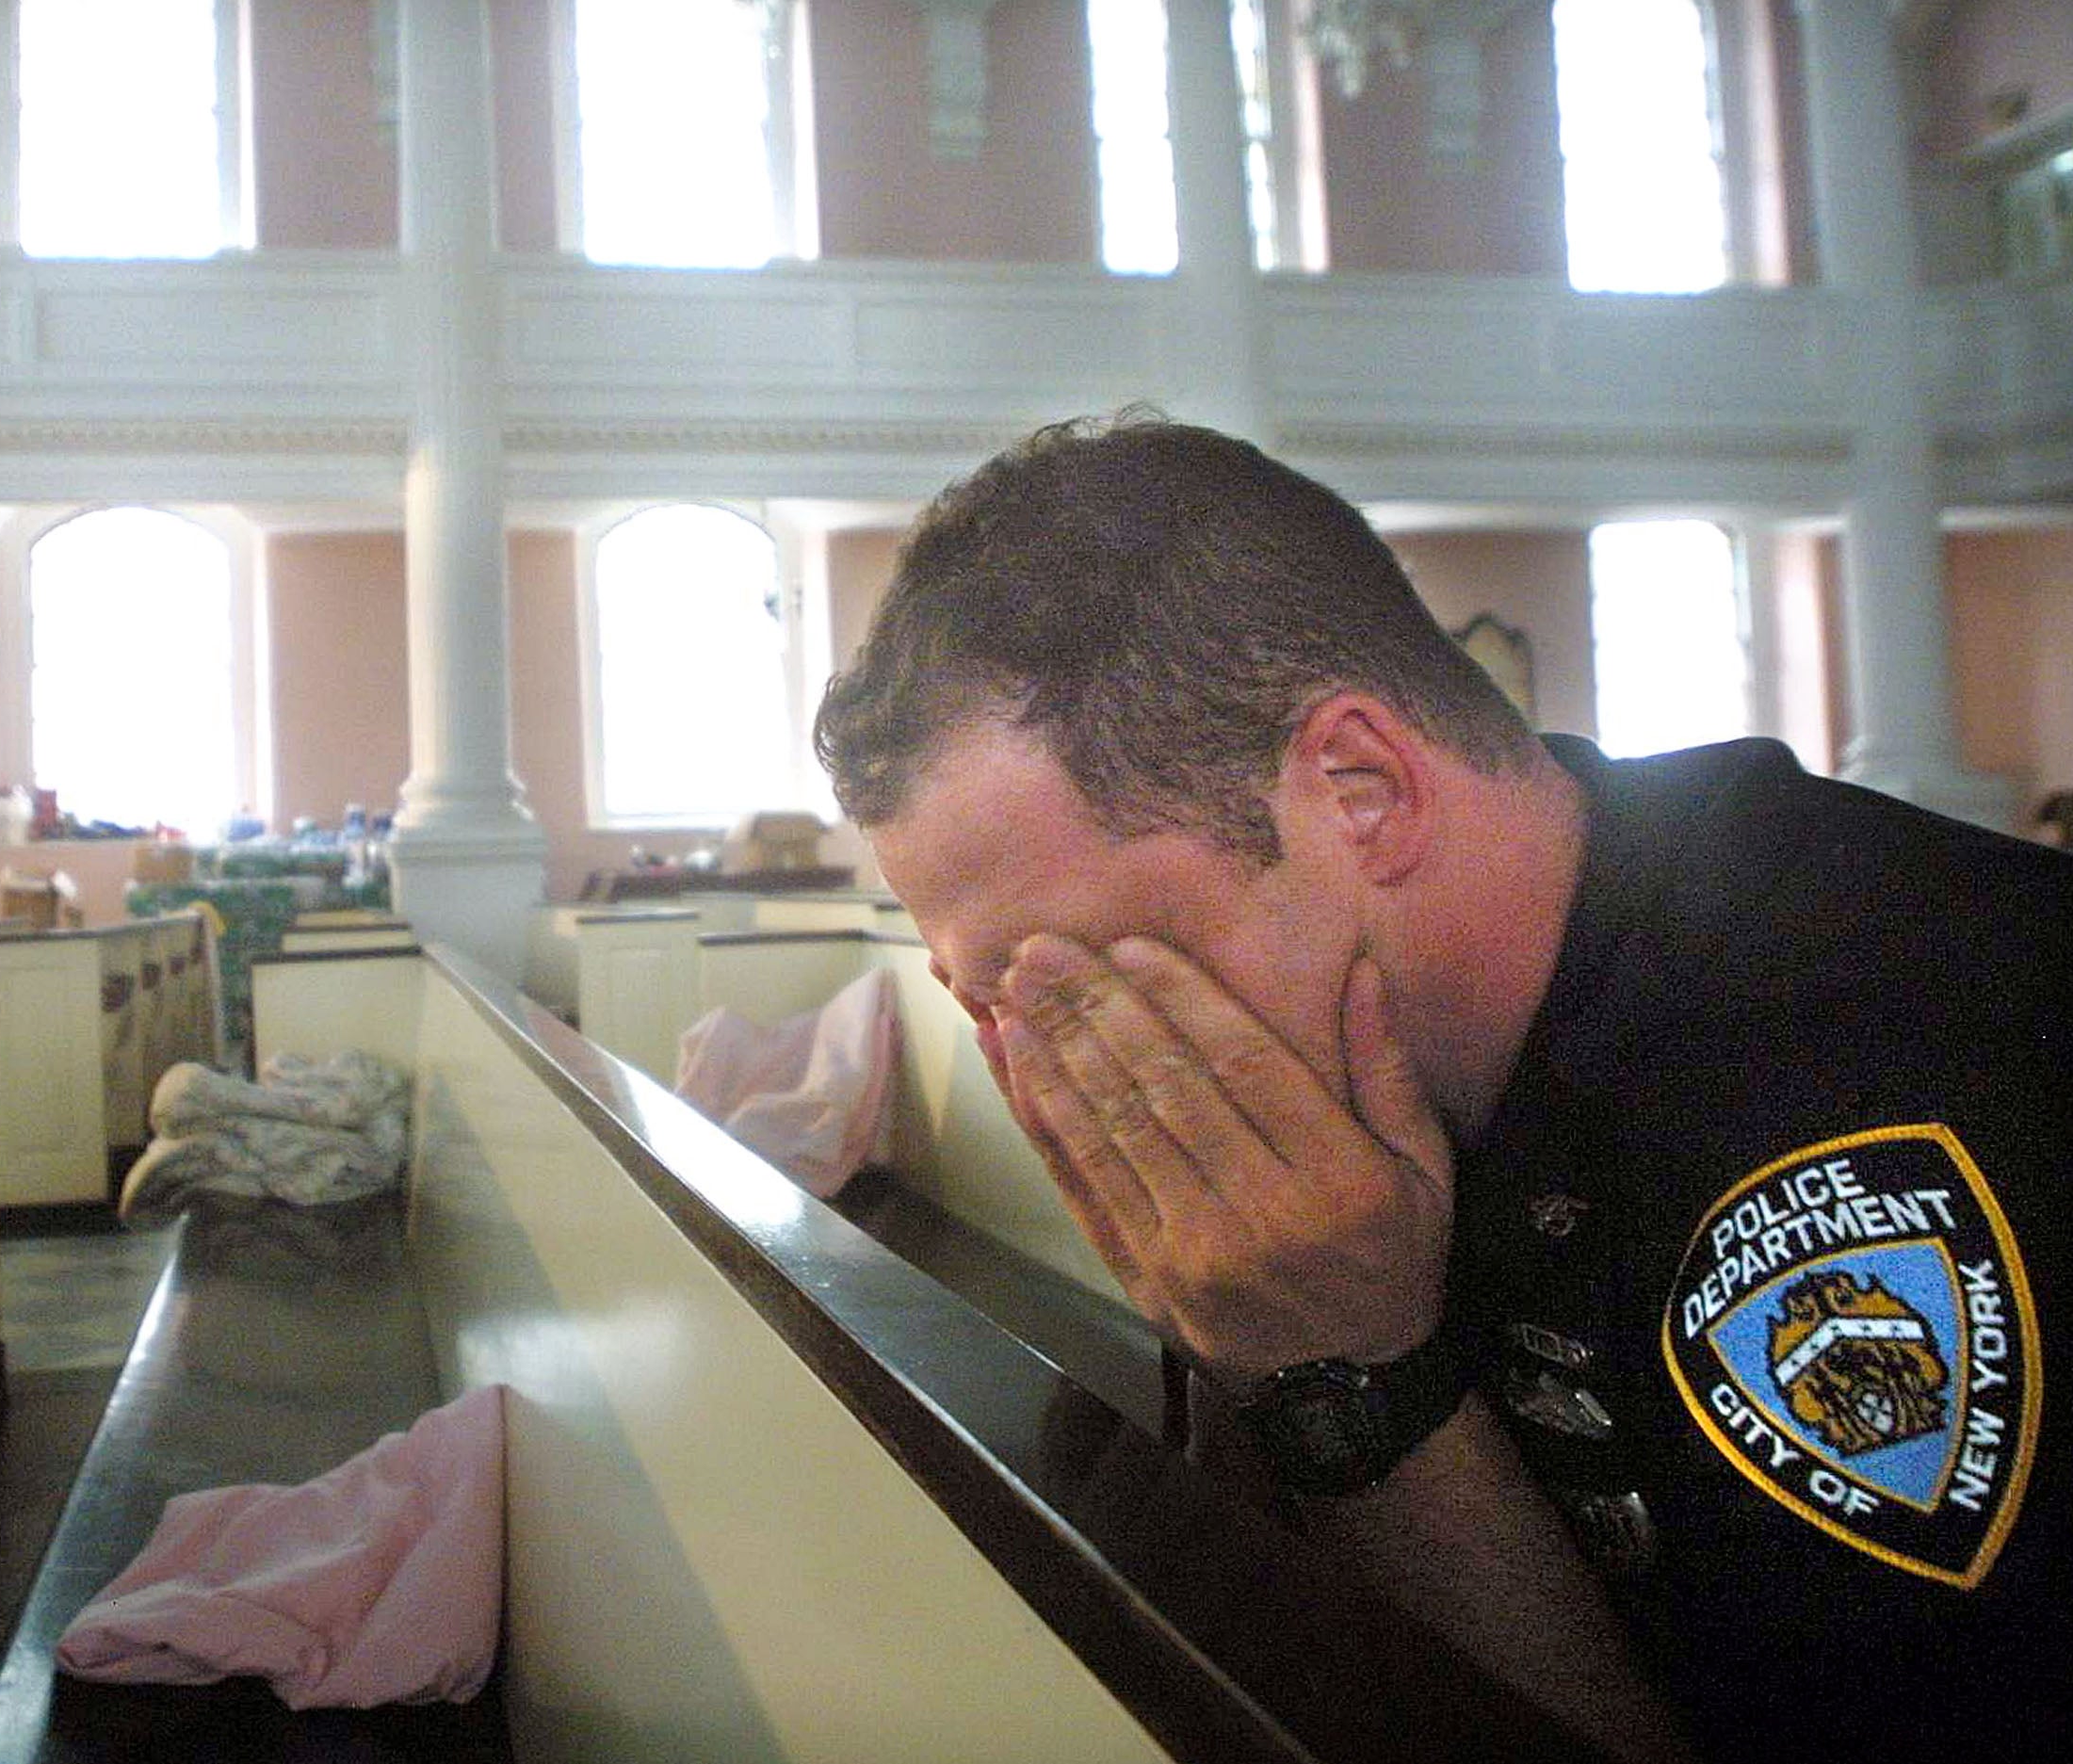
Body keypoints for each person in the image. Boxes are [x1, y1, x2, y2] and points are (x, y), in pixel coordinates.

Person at [813, 411, 2064, 1762]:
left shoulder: (1901, 1053)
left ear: (1361, 789)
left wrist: (1349, 1383)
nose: (1050, 1065)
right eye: (985, 999)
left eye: (1067, 976)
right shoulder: (1330, 1084)